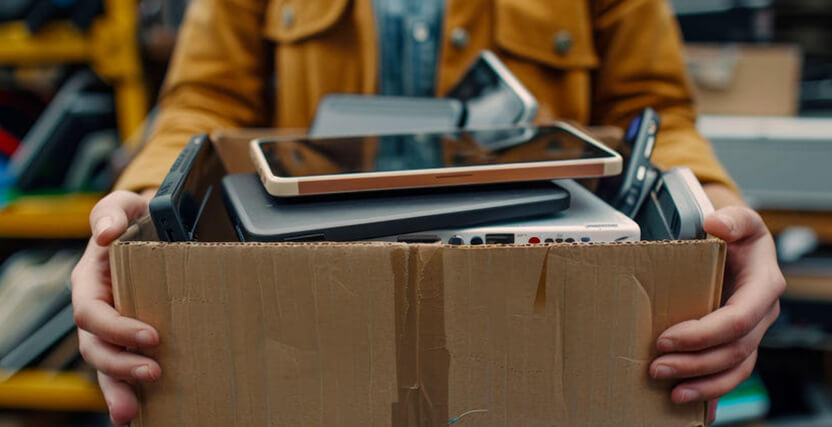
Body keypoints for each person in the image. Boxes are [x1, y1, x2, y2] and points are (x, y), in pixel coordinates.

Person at [70, 0, 785, 425]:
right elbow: (202, 103)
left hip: (550, 327)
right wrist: (135, 218)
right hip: (299, 326)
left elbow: (653, 109)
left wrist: (719, 215)